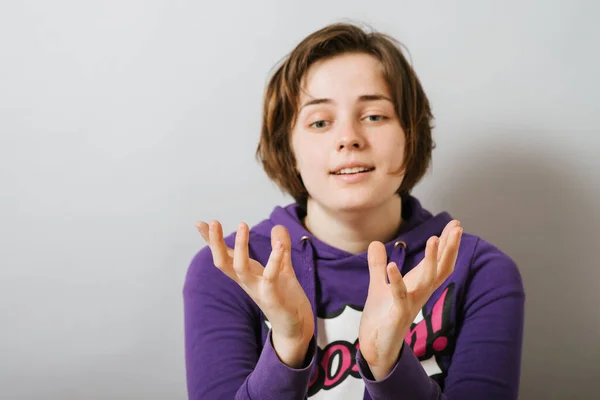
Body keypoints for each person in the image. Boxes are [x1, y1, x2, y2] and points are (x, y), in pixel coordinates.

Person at [183, 22, 525, 400]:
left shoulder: (479, 271)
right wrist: (288, 348)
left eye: (374, 116)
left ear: (411, 135)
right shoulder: (232, 270)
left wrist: (387, 364)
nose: (349, 138)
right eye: (320, 122)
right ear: (288, 149)